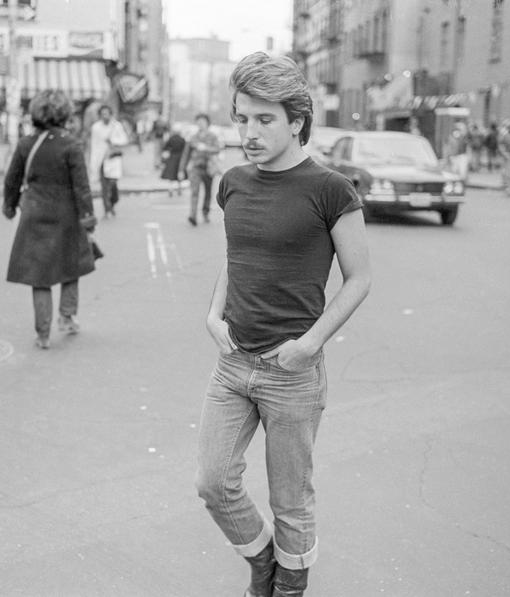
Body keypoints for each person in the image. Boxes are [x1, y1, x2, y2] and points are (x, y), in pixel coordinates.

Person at [195, 52, 372, 597]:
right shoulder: (232, 183)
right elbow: (239, 252)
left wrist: (309, 344)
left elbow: (360, 277)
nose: (249, 132)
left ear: (296, 120)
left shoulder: (330, 189)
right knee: (213, 483)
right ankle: (264, 560)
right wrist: (213, 312)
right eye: (242, 118)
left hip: (292, 373)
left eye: (264, 119)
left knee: (290, 500)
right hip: (233, 364)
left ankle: (288, 586)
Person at [2, 90, 98, 350]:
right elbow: (82, 187)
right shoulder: (71, 144)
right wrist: (88, 219)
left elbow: (12, 180)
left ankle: (43, 334)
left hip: (34, 213)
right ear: (65, 114)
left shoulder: (26, 144)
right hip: (67, 214)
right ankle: (66, 318)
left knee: (39, 276)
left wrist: (9, 207)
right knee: (71, 267)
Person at [180, 113, 222, 225]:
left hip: (208, 168)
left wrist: (206, 148)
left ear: (207, 123)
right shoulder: (193, 137)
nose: (200, 124)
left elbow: (217, 149)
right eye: (198, 122)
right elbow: (185, 154)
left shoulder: (213, 136)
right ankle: (192, 216)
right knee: (194, 192)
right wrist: (181, 170)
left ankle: (205, 212)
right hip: (196, 168)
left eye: (203, 122)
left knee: (208, 192)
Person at [88, 105, 129, 218]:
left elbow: (124, 140)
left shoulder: (116, 126)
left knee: (112, 184)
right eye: (102, 114)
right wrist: (93, 162)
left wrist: (113, 140)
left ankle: (113, 202)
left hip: (112, 158)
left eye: (107, 113)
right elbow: (94, 145)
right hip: (101, 159)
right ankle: (107, 208)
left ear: (110, 114)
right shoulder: (96, 127)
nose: (105, 116)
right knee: (104, 186)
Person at [159, 123, 187, 197]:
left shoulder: (171, 139)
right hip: (180, 158)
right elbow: (185, 150)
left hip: (172, 158)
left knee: (171, 175)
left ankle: (170, 189)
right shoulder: (182, 139)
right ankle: (179, 189)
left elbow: (165, 148)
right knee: (179, 174)